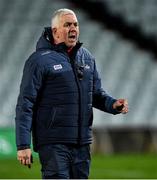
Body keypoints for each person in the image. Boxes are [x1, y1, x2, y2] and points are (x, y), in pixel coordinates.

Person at [15, 8, 128, 179]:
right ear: (55, 31)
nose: (73, 28)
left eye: (75, 24)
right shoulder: (39, 61)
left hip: (82, 143)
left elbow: (95, 94)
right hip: (53, 143)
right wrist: (23, 144)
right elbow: (26, 104)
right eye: (67, 25)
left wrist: (113, 105)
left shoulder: (87, 58)